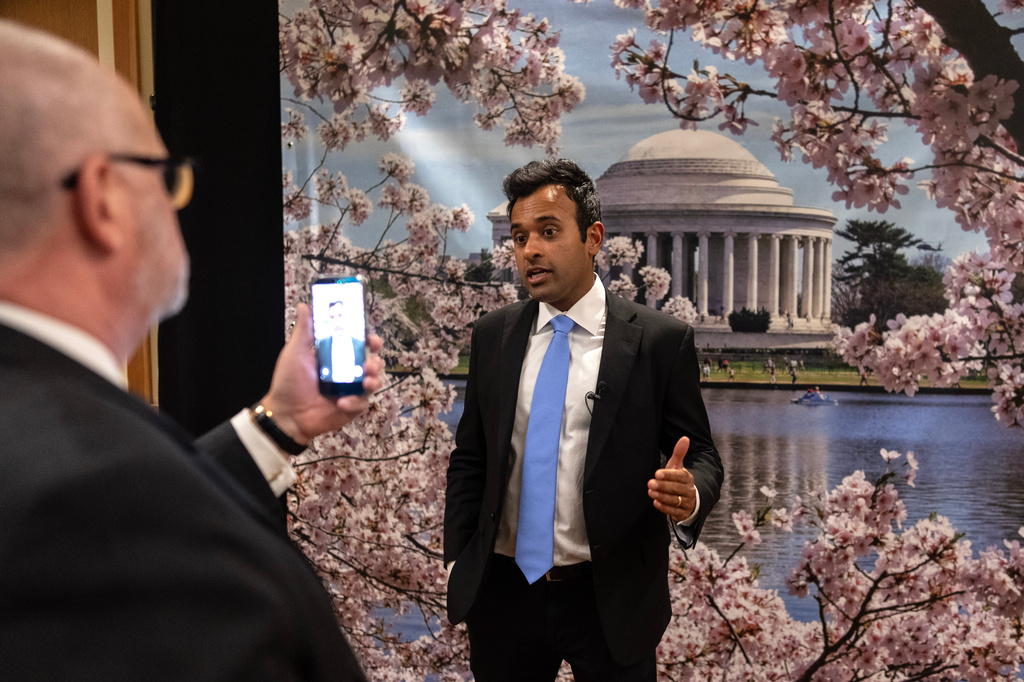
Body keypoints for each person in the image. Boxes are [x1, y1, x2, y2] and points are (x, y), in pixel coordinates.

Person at [0, 21, 383, 680]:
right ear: (103, 200)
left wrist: (278, 424)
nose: (181, 202)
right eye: (166, 174)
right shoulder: (99, 501)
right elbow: (123, 513)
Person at [444, 159, 723, 681]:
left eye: (548, 232)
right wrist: (458, 559)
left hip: (610, 597)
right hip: (504, 594)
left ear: (593, 237)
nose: (530, 250)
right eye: (520, 236)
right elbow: (471, 456)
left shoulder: (659, 341)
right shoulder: (493, 335)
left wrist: (691, 494)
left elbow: (702, 454)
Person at [316, 299, 366, 383]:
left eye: (340, 315)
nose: (336, 321)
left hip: (355, 389)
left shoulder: (360, 345)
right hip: (330, 390)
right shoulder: (322, 345)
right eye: (332, 317)